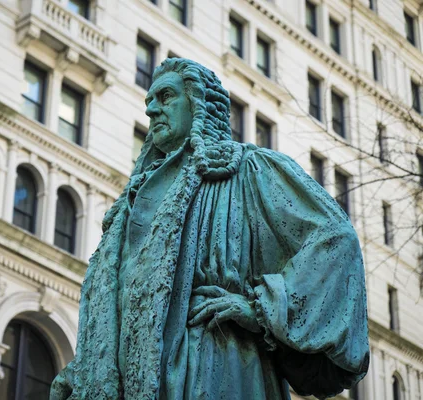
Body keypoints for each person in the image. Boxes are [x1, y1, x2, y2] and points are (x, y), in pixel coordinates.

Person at [51, 58, 369, 399]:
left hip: (216, 362)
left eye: (166, 97)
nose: (152, 111)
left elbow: (336, 240)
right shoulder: (130, 204)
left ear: (198, 104)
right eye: (149, 102)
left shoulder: (249, 168)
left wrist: (263, 309)